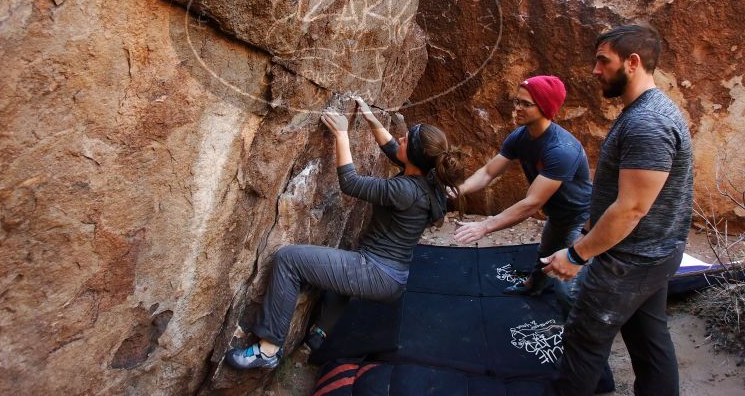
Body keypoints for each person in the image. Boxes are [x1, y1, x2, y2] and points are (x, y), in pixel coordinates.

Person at [225, 97, 466, 369]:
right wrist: (372, 119)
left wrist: (341, 133)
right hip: (391, 276)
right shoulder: (428, 178)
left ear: (415, 156)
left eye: (406, 139)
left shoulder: (404, 191)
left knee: (288, 259)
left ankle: (267, 350)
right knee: (340, 273)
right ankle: (320, 334)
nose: (400, 138)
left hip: (375, 273)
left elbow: (350, 183)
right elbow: (391, 148)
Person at [543, 25, 693, 395]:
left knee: (583, 340)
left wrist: (577, 254)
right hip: (652, 253)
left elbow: (632, 208)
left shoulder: (648, 124)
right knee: (648, 338)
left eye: (603, 61)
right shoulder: (645, 112)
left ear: (633, 62)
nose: (595, 70)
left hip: (631, 259)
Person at [453, 75, 592, 296]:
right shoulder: (520, 136)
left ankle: (575, 328)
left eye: (526, 104)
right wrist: (459, 190)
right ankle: (533, 287)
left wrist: (485, 226)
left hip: (581, 218)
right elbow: (489, 171)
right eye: (517, 101)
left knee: (567, 288)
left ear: (545, 108)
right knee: (544, 255)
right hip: (557, 216)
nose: (517, 108)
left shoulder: (561, 149)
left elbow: (531, 203)